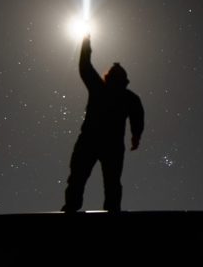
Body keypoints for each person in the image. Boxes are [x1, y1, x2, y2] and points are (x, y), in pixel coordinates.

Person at [62, 35, 144, 213]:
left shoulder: (103, 89)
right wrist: (136, 136)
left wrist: (86, 43)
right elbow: (138, 117)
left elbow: (85, 67)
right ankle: (100, 210)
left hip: (94, 141)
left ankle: (73, 208)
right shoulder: (127, 97)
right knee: (97, 180)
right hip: (104, 143)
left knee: (85, 178)